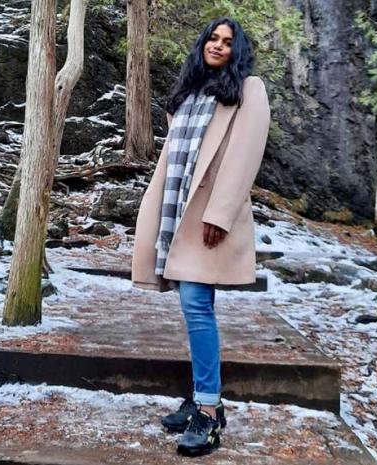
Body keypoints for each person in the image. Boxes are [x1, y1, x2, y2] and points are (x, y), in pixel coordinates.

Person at [130, 16, 270, 457]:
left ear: (236, 51)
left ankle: (208, 413)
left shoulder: (249, 90)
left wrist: (221, 213)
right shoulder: (188, 93)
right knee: (193, 303)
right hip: (177, 208)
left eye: (228, 42)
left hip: (207, 213)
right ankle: (201, 396)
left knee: (195, 302)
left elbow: (246, 155)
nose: (218, 45)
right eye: (213, 37)